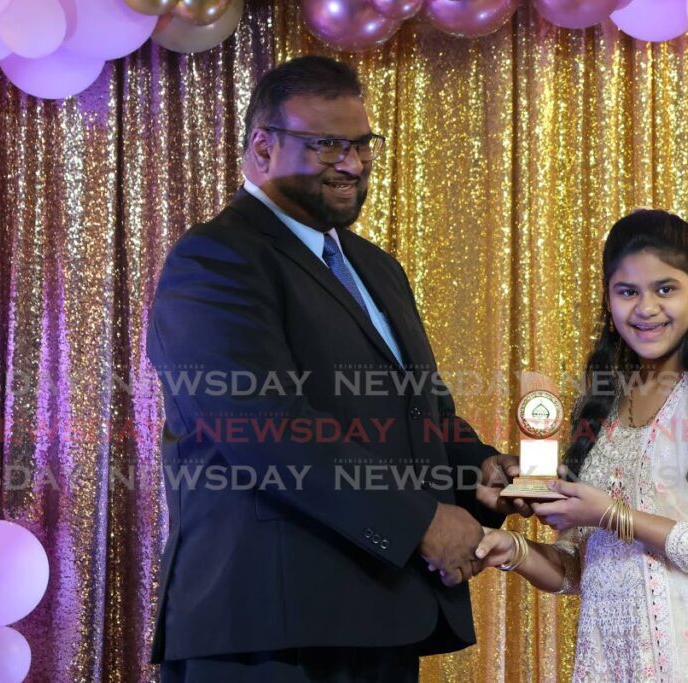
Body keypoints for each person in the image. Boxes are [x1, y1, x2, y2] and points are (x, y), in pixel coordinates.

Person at [147, 55, 529, 682]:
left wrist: (477, 470)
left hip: (378, 613)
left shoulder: (374, 267)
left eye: (360, 144)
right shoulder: (215, 259)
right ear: (262, 149)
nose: (351, 164)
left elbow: (420, 409)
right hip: (269, 630)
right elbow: (266, 427)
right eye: (325, 145)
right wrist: (423, 523)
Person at [476, 210, 688, 682]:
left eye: (665, 289)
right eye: (628, 291)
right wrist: (513, 550)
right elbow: (582, 569)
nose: (646, 308)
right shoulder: (604, 406)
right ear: (608, 298)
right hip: (612, 664)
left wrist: (615, 515)